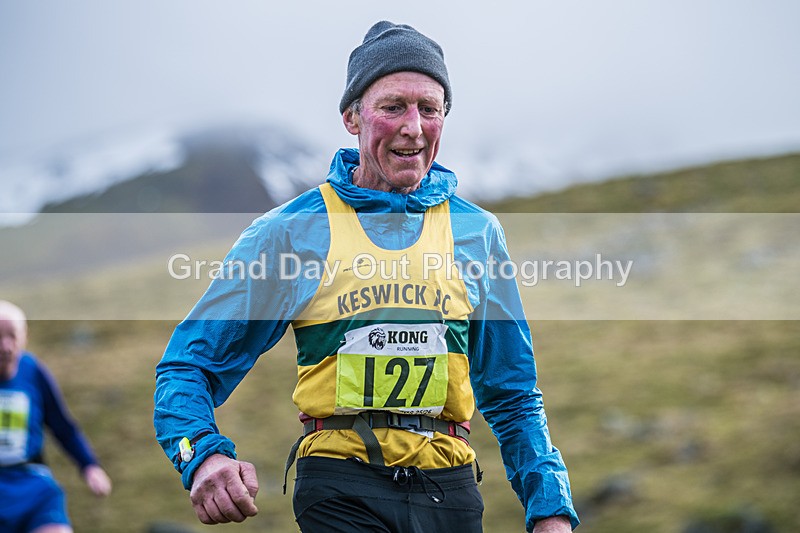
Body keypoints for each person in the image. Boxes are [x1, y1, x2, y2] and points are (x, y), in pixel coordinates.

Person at [154, 20, 579, 533]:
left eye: (430, 108)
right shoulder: (292, 231)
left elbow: (513, 394)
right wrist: (202, 455)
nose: (413, 127)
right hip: (339, 484)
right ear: (351, 117)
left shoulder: (476, 233)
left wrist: (550, 509)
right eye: (393, 106)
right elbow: (187, 365)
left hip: (451, 489)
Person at [0, 300, 112, 533]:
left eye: (12, 336)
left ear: (25, 337)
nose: (6, 347)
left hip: (32, 487)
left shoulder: (33, 371)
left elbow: (62, 426)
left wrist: (89, 466)